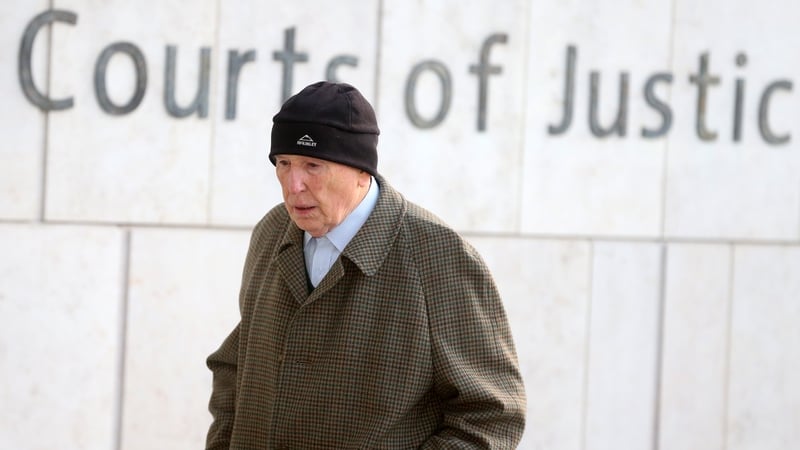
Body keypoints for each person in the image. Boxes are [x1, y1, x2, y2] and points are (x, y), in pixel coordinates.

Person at [205, 81, 526, 449]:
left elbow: (492, 416)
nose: (294, 185)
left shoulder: (438, 255)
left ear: (362, 171)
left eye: (313, 165)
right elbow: (235, 367)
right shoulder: (272, 232)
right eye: (284, 163)